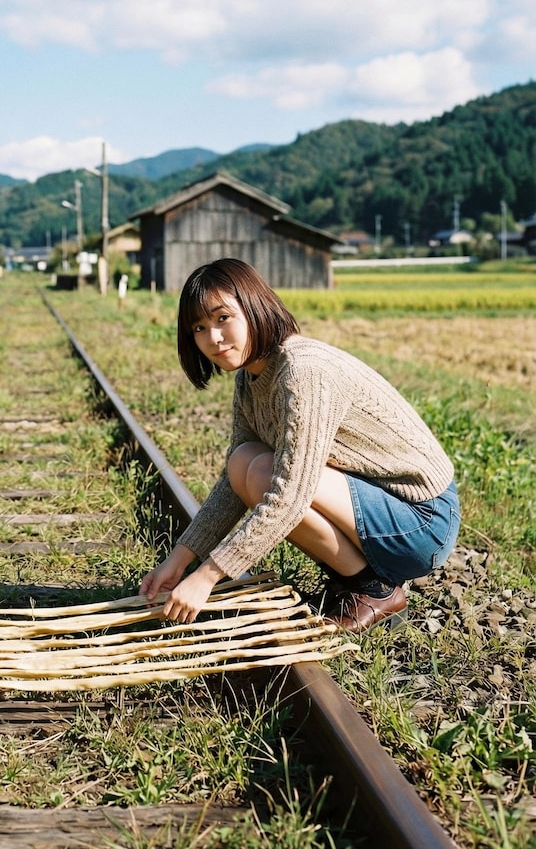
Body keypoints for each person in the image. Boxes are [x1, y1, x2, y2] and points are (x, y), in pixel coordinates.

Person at [140, 258, 459, 633]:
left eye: (222, 318)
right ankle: (357, 578)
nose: (213, 337)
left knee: (264, 473)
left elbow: (290, 494)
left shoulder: (303, 370)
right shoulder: (251, 377)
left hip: (423, 521)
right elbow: (234, 483)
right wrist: (180, 559)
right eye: (199, 327)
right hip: (378, 507)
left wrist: (209, 574)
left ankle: (375, 590)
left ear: (254, 306)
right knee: (245, 462)